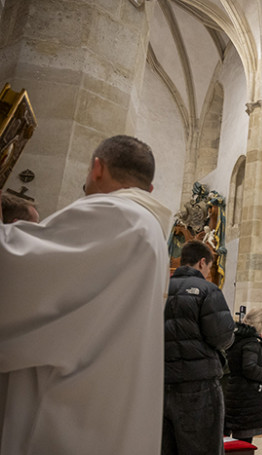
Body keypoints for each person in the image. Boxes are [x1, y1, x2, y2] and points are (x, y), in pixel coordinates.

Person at [0, 135, 172, 454]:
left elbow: (16, 273)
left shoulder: (115, 214)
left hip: (73, 411)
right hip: (112, 403)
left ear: (97, 168)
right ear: (148, 189)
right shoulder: (152, 232)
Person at [162, 240, 235, 455]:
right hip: (198, 386)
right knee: (203, 448)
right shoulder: (207, 290)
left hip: (160, 383)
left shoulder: (159, 289)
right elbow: (222, 337)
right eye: (210, 267)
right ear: (203, 262)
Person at [224, 308, 262, 444]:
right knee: (243, 442)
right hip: (246, 398)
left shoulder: (239, 339)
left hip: (235, 392)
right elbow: (250, 369)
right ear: (260, 323)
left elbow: (245, 362)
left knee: (232, 441)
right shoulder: (250, 342)